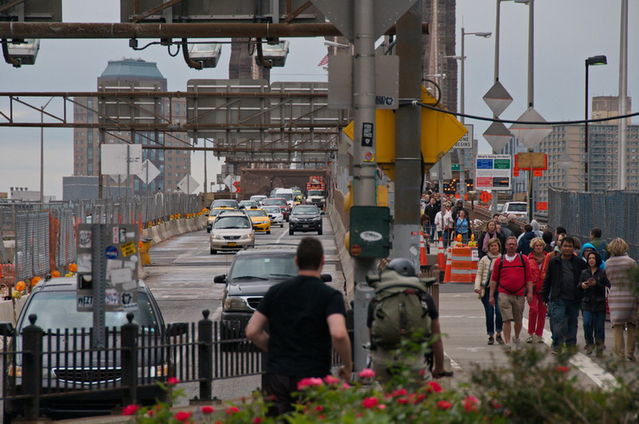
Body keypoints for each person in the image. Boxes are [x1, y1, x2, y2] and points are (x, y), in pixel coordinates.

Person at [246, 237, 353, 416]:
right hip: (313, 376)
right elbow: (339, 334)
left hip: (277, 377)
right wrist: (348, 365)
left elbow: (252, 331)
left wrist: (276, 350)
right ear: (322, 261)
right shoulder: (330, 296)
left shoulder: (276, 292)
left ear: (296, 261)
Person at [367, 258, 446, 382]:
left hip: (383, 362)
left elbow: (372, 336)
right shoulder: (423, 298)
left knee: (386, 397)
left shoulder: (378, 298)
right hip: (414, 362)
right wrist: (439, 367)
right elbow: (436, 339)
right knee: (419, 398)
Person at [541, 236, 587, 353]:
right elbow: (548, 279)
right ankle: (557, 344)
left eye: (570, 246)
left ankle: (571, 345)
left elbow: (585, 278)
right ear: (560, 247)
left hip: (574, 298)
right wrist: (544, 296)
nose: (567, 248)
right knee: (558, 321)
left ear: (573, 248)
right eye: (565, 246)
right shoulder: (554, 261)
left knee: (572, 322)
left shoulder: (580, 263)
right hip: (558, 297)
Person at [489, 236, 533, 348]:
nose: (511, 246)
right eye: (509, 244)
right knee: (506, 319)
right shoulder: (500, 261)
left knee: (518, 320)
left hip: (519, 294)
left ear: (517, 246)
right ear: (505, 246)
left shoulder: (524, 259)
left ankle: (516, 336)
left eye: (513, 244)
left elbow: (528, 278)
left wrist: (530, 293)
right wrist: (491, 295)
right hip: (504, 293)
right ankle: (507, 342)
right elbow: (494, 279)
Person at [604, 238, 638, 361]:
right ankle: (630, 352)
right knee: (632, 324)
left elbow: (608, 278)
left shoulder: (608, 263)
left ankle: (620, 352)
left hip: (615, 295)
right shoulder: (631, 262)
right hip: (629, 294)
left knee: (617, 325)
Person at [578, 251, 610, 357]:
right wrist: (582, 285)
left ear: (597, 260)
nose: (591, 260)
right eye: (589, 258)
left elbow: (607, 287)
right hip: (587, 303)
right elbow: (578, 286)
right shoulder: (584, 272)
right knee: (586, 324)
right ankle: (589, 343)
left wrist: (596, 284)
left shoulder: (602, 272)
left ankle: (600, 346)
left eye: (593, 258)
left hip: (599, 303)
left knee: (599, 327)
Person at [474, 238, 504, 345]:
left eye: (495, 246)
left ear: (499, 247)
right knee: (489, 312)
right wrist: (477, 286)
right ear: (488, 247)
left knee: (499, 312)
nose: (493, 248)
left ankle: (499, 333)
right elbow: (479, 274)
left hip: (500, 289)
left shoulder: (503, 259)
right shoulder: (484, 259)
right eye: (491, 246)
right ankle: (490, 335)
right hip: (486, 289)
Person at [526, 237, 547, 344]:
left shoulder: (548, 258)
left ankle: (539, 334)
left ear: (543, 246)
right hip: (532, 288)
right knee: (533, 310)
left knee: (542, 312)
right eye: (536, 245)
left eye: (540, 245)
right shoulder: (529, 259)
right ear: (533, 247)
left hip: (544, 289)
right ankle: (530, 333)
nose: (538, 247)